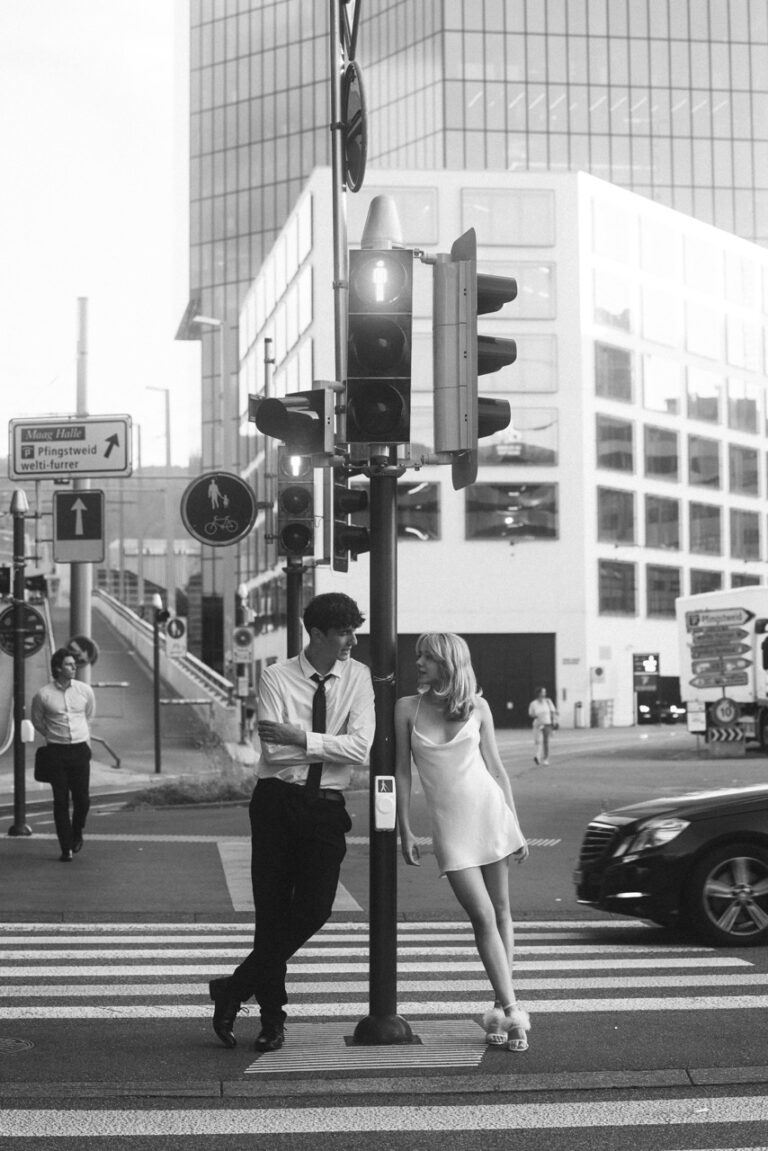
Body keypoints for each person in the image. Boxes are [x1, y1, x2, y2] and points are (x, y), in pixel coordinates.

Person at [208, 592, 375, 1054]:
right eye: (344, 632)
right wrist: (324, 742)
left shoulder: (358, 678)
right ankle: (272, 1020)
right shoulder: (276, 677)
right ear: (316, 634)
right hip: (277, 802)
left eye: (354, 630)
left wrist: (299, 735)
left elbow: (360, 748)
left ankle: (235, 987)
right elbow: (274, 752)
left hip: (325, 805)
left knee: (316, 908)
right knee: (272, 911)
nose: (352, 641)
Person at [395, 633, 531, 1053]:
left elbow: (497, 769)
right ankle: (513, 1013)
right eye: (419, 655)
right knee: (483, 914)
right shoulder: (406, 708)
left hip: (490, 815)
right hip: (450, 829)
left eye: (428, 657)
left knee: (502, 912)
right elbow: (403, 773)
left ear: (449, 663)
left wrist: (516, 823)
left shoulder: (478, 706)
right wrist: (405, 829)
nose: (419, 662)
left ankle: (500, 1009)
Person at [30, 648, 95, 863]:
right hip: (56, 752)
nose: (74, 667)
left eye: (74, 664)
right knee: (60, 800)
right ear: (58, 668)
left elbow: (89, 715)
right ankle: (65, 847)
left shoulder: (84, 691)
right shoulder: (43, 695)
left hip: (79, 750)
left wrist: (80, 737)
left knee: (82, 800)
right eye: (69, 664)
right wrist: (54, 736)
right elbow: (38, 722)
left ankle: (77, 831)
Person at [528, 686, 558, 765]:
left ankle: (545, 758)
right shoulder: (533, 703)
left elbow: (553, 712)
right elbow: (530, 713)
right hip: (538, 724)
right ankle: (538, 756)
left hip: (547, 723)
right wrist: (535, 715)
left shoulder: (548, 701)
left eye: (545, 692)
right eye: (543, 692)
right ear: (539, 693)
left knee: (546, 741)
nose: (544, 693)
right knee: (538, 741)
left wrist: (554, 722)